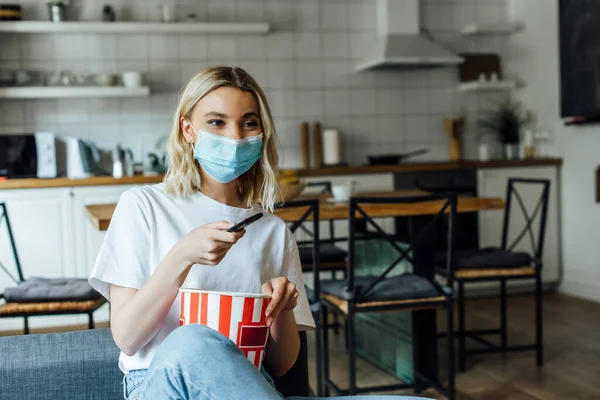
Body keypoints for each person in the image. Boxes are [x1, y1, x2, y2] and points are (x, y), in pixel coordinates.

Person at [89, 66, 425, 400]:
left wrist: (284, 309)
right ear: (188, 129)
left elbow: (282, 366)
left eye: (248, 123)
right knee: (192, 341)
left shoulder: (273, 231)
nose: (235, 137)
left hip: (254, 385)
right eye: (217, 122)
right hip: (160, 385)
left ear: (261, 134)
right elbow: (127, 337)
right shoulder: (143, 206)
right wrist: (181, 257)